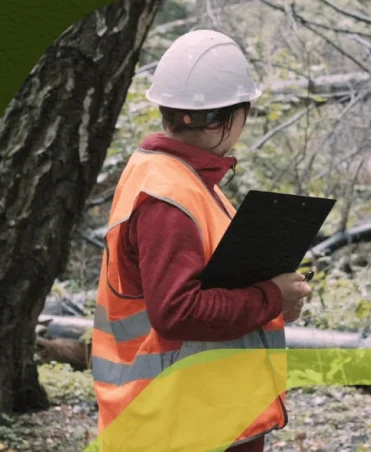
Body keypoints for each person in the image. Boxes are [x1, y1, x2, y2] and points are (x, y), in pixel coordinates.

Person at [90, 30, 311, 452]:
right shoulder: (169, 198)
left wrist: (278, 297)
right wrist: (268, 297)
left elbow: (215, 286)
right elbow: (178, 312)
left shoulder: (182, 180)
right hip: (180, 423)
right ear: (223, 118)